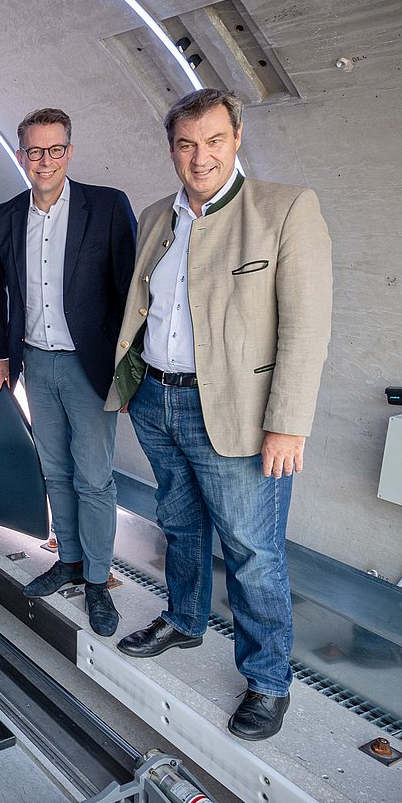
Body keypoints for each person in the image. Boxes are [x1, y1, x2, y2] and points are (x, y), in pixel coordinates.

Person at [111, 89, 332, 741]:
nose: (199, 156)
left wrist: (288, 422)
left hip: (235, 411)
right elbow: (143, 309)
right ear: (172, 148)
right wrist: (127, 386)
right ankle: (184, 620)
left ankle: (268, 681)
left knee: (253, 551)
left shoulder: (285, 208)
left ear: (236, 137)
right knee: (178, 523)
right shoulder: (157, 215)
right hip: (157, 399)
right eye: (185, 143)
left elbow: (306, 325)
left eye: (212, 140)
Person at [0, 108, 138, 636]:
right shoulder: (4, 217)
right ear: (20, 154)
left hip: (88, 366)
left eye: (54, 150)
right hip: (35, 362)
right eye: (33, 151)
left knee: (94, 477)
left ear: (68, 152)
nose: (43, 160)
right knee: (55, 470)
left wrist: (127, 364)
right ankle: (68, 560)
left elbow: (129, 293)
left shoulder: (108, 207)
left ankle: (97, 580)